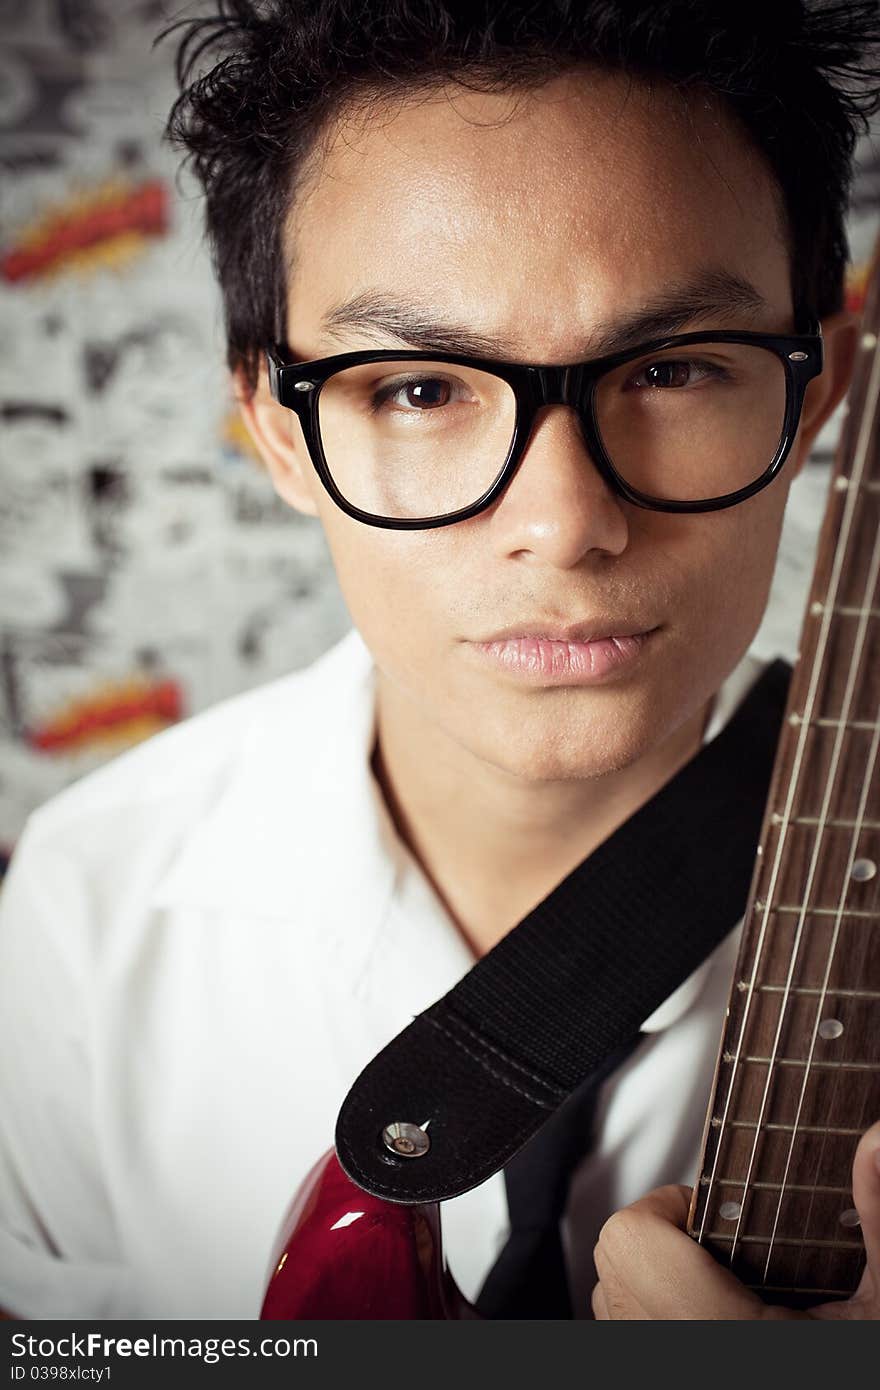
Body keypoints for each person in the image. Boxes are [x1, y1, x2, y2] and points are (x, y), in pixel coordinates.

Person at [0, 0, 878, 1321]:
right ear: (276, 433)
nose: (566, 523)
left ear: (818, 392)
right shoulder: (86, 920)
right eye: (418, 387)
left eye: (678, 369)